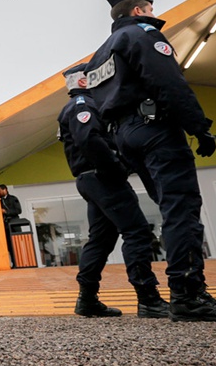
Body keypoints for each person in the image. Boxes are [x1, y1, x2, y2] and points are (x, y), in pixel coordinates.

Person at [83, 0, 216, 322]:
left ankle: (182, 291)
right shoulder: (143, 35)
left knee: (171, 207)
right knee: (181, 207)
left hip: (126, 134)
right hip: (155, 128)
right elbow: (169, 82)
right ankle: (188, 294)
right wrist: (199, 126)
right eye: (151, 8)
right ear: (141, 11)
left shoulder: (99, 55)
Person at [57, 64, 169, 318]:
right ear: (84, 82)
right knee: (137, 232)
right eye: (96, 77)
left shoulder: (80, 105)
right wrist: (116, 169)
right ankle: (148, 298)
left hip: (92, 179)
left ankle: (87, 300)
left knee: (102, 239)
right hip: (103, 178)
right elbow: (89, 140)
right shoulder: (83, 105)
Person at [0, 184, 21, 266]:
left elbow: (18, 210)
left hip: (14, 224)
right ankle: (14, 263)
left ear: (5, 190)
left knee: (17, 245)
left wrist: (6, 212)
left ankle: (20, 263)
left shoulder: (13, 199)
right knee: (9, 246)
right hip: (6, 225)